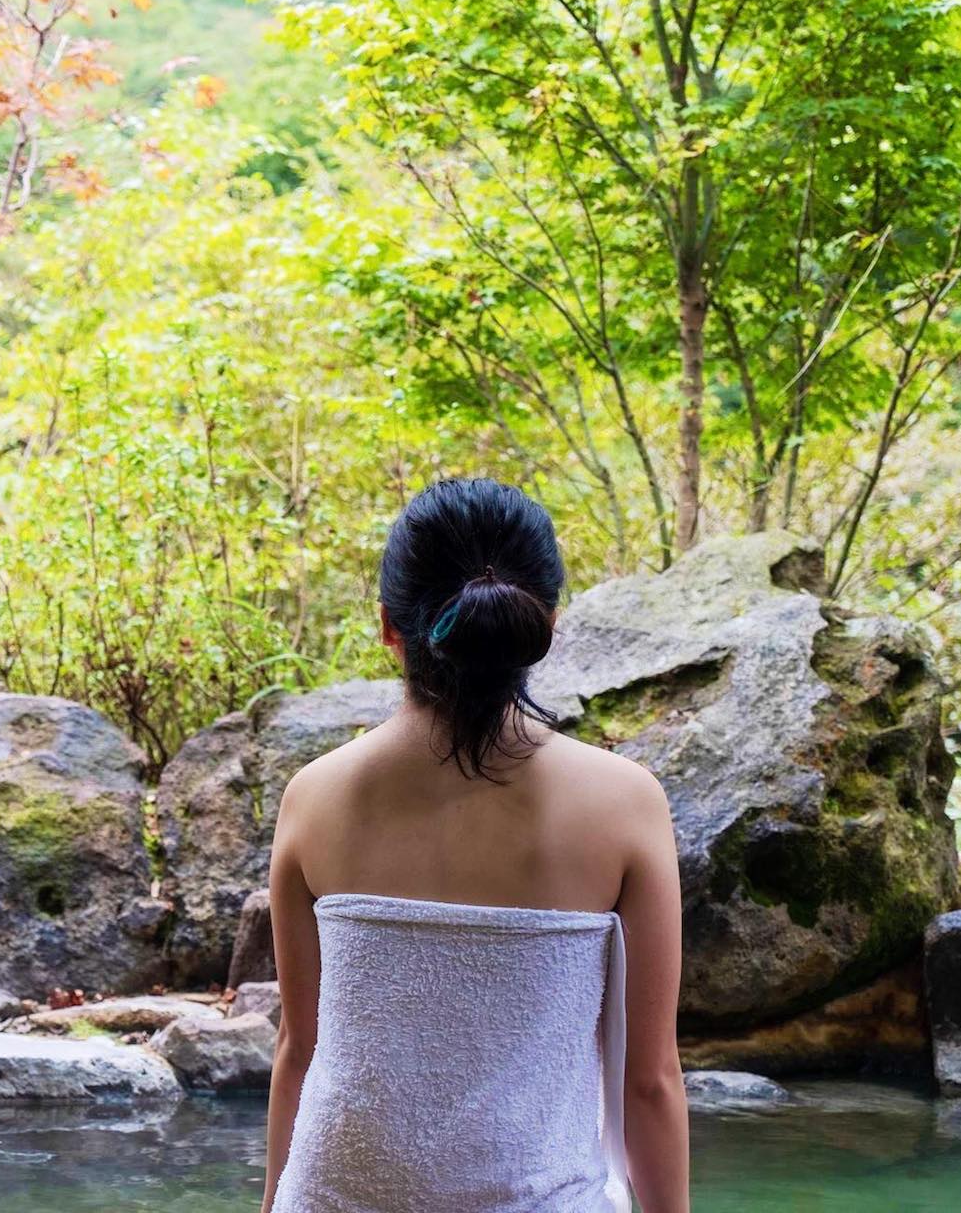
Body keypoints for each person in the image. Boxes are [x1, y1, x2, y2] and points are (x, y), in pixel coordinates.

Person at [261, 478, 689, 1213]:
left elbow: (300, 1051)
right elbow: (649, 1081)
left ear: (388, 626)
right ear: (546, 623)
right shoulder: (624, 803)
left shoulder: (315, 798)